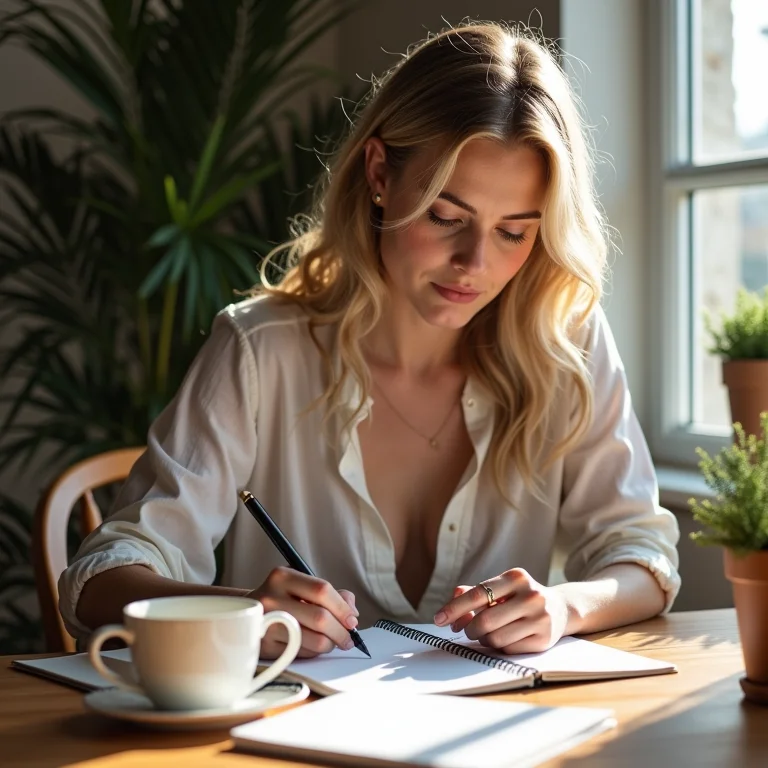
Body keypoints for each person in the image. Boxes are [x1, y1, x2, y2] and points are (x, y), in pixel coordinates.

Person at [60, 22, 680, 660]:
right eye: (446, 216)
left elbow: (642, 556)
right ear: (380, 172)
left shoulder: (565, 342)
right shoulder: (260, 351)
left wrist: (562, 606)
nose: (474, 263)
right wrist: (241, 612)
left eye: (514, 233)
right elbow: (103, 575)